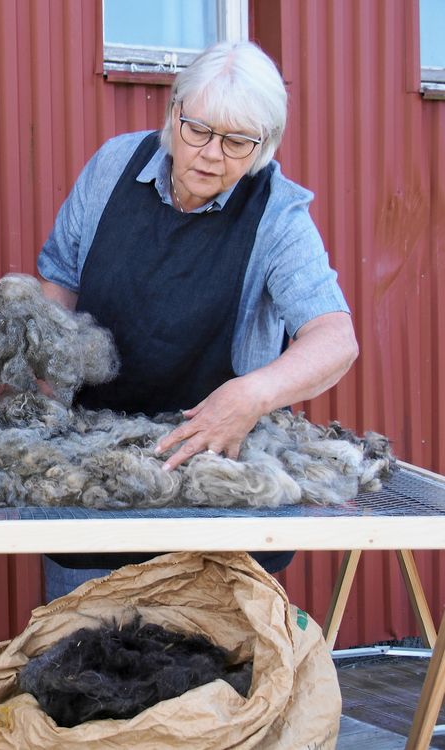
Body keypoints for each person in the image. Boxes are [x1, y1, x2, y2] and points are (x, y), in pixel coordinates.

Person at [38, 41, 358, 600]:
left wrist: (251, 396)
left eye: (237, 142)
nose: (211, 155)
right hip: (94, 483)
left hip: (218, 497)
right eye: (199, 131)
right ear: (174, 113)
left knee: (206, 655)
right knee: (81, 648)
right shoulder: (113, 167)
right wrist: (48, 383)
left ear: (264, 144)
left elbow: (335, 339)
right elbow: (59, 276)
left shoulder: (277, 215)